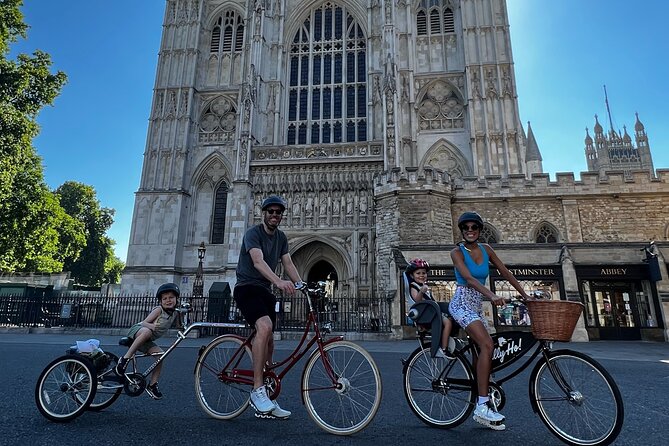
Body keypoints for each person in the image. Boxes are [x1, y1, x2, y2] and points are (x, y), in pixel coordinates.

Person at [449, 212, 530, 430]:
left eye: (474, 227)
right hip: (461, 304)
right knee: (487, 345)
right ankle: (482, 405)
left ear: (479, 229)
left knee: (483, 352)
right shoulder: (456, 252)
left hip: (476, 306)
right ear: (462, 230)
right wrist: (492, 295)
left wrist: (525, 294)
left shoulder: (487, 249)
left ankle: (481, 401)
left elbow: (504, 271)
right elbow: (468, 278)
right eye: (465, 227)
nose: (470, 230)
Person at [234, 195, 302, 419]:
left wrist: (302, 284)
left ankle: (268, 395)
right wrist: (279, 282)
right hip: (247, 288)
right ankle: (257, 389)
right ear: (263, 213)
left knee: (270, 339)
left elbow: (288, 262)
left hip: (264, 290)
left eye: (278, 212)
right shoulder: (253, 233)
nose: (274, 215)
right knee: (264, 327)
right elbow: (258, 261)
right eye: (271, 211)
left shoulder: (281, 238)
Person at [114, 282, 181, 400]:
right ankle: (124, 359)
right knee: (147, 332)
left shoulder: (175, 313)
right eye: (164, 298)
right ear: (160, 301)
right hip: (138, 331)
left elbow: (180, 326)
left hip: (146, 339)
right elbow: (143, 323)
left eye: (171, 297)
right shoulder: (158, 310)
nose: (168, 300)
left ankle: (153, 385)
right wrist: (152, 327)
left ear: (176, 299)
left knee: (161, 357)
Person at [405, 259, 455, 358]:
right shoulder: (414, 286)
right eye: (418, 273)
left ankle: (447, 341)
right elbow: (417, 301)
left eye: (424, 273)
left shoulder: (424, 285)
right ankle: (444, 349)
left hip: (432, 311)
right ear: (412, 275)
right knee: (447, 323)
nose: (421, 275)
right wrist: (421, 292)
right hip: (426, 314)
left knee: (451, 319)